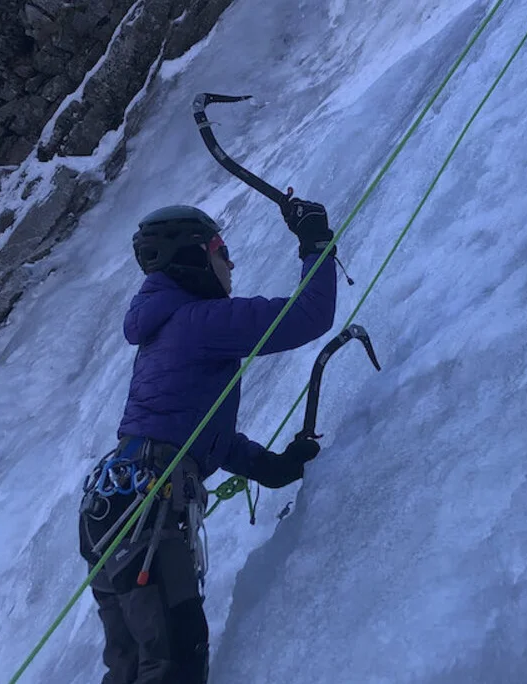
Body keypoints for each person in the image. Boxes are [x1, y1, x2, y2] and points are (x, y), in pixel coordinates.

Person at [78, 196, 338, 684]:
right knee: (175, 663)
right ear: (194, 255)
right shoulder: (198, 322)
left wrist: (273, 468)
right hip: (149, 510)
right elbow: (308, 317)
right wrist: (316, 243)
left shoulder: (165, 329)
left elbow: (201, 436)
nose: (230, 260)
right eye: (221, 248)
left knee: (135, 665)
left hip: (116, 506)